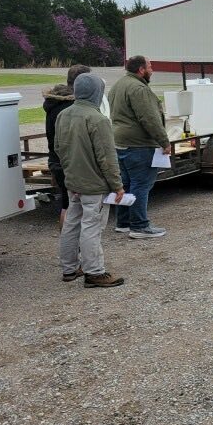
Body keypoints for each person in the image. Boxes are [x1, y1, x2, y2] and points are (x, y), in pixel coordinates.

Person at [54, 73, 126, 288]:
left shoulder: (63, 115)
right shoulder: (97, 119)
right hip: (93, 184)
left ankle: (69, 268)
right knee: (91, 226)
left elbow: (58, 148)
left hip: (73, 179)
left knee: (72, 223)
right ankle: (94, 272)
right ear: (97, 92)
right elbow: (107, 157)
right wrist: (117, 185)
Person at [107, 55, 171, 239]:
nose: (152, 70)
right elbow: (149, 118)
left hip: (120, 143)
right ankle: (140, 226)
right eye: (150, 67)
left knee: (126, 183)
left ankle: (124, 222)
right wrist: (164, 141)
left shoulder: (119, 85)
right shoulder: (139, 88)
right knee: (141, 184)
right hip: (139, 144)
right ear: (141, 70)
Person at [43, 64, 92, 228]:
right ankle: (73, 246)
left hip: (56, 159)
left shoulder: (53, 104)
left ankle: (68, 245)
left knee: (66, 204)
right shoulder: (71, 107)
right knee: (76, 208)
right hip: (71, 162)